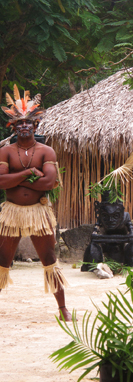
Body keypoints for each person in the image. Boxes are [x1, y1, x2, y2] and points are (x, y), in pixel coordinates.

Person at [0, 86, 71, 321]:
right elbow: (1, 182)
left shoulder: (46, 151)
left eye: (27, 123)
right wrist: (30, 173)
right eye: (18, 123)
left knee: (50, 259)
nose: (23, 126)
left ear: (35, 125)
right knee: (2, 260)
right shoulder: (6, 152)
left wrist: (17, 181)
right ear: (13, 127)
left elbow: (50, 182)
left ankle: (62, 309)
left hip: (38, 212)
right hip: (12, 212)